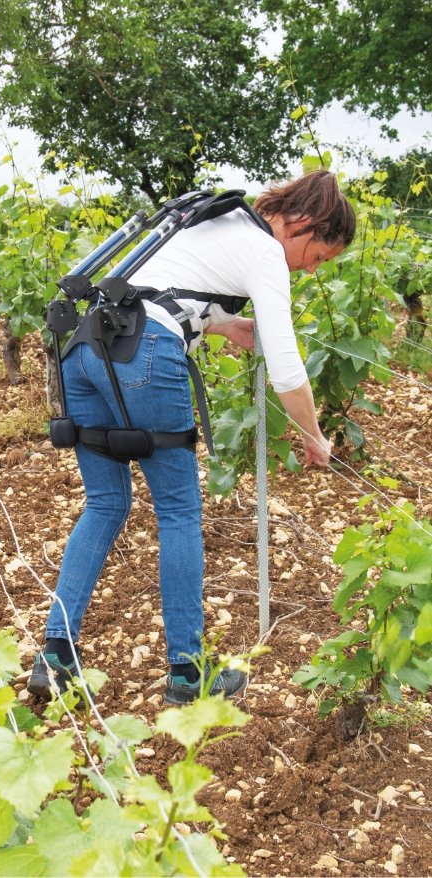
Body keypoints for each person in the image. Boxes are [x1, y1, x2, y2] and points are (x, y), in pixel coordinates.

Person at [28, 169, 356, 705]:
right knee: (179, 511)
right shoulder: (266, 251)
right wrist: (314, 434)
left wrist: (223, 326)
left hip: (84, 350)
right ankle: (187, 673)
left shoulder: (212, 220)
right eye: (319, 255)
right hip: (145, 356)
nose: (311, 267)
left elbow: (162, 290)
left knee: (105, 504)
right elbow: (288, 367)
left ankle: (56, 657)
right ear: (303, 224)